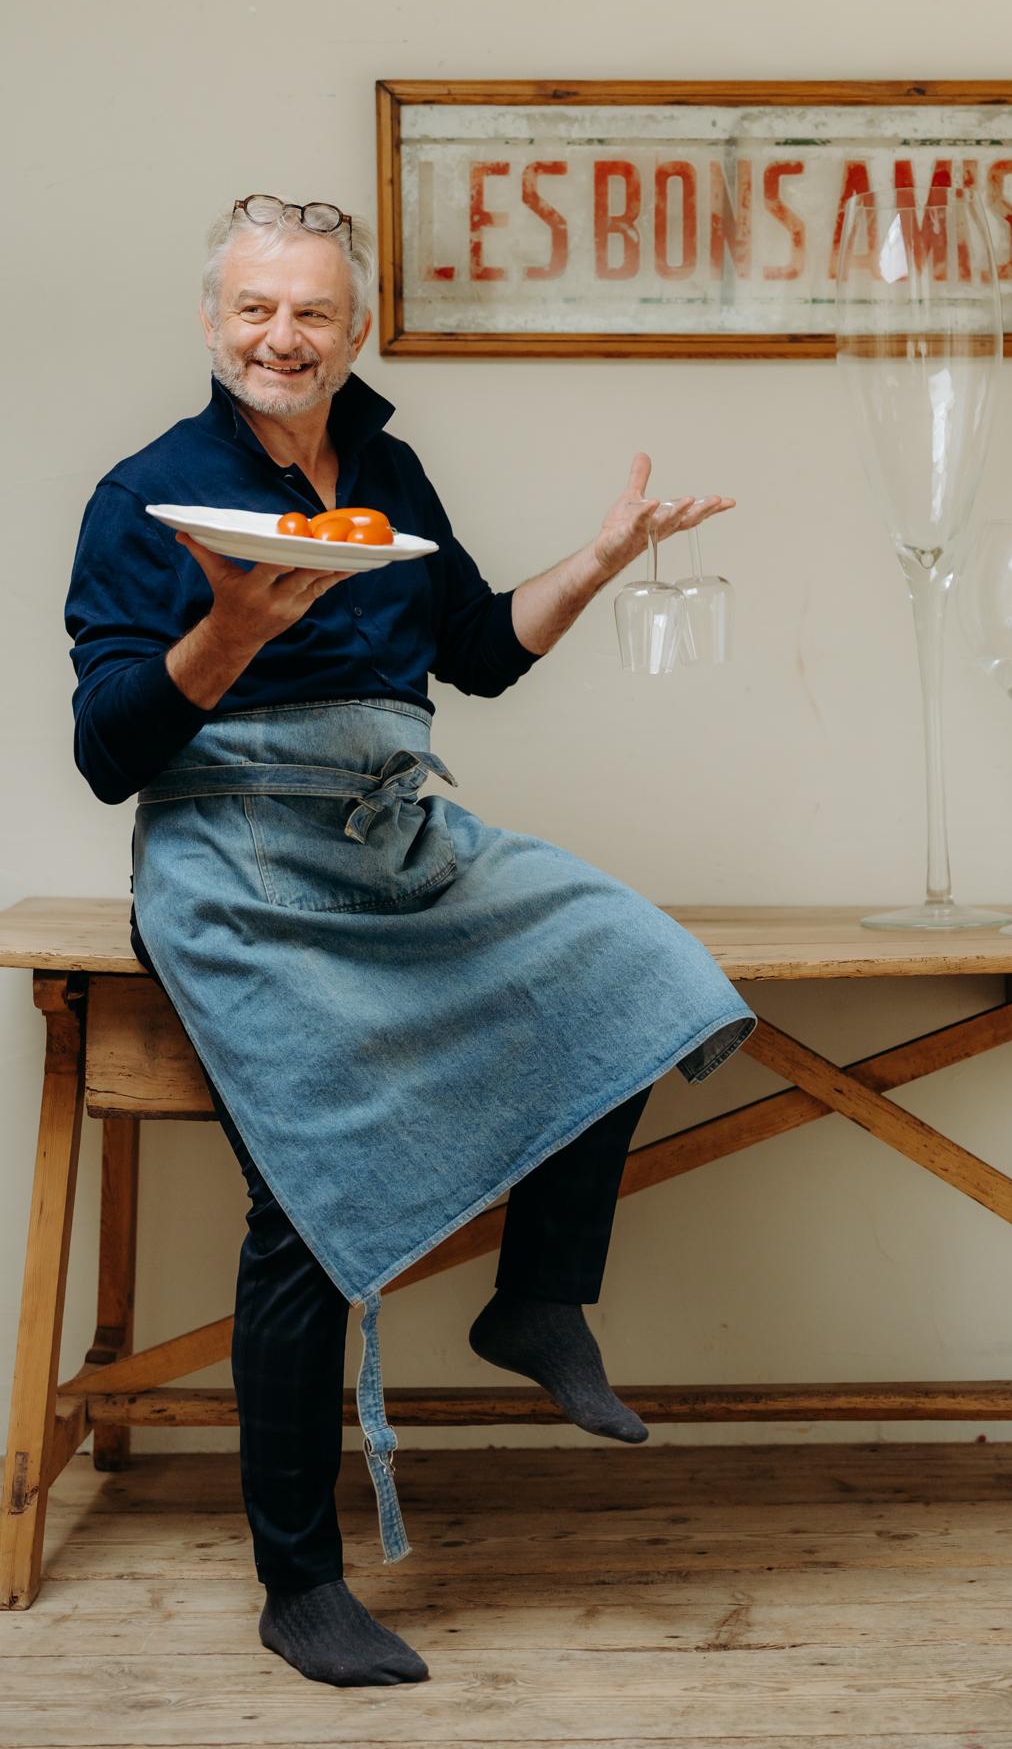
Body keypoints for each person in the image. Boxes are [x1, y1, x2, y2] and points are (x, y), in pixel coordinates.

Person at [63, 193, 755, 1688]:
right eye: (253, 308)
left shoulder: (386, 467)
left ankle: (537, 1295)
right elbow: (109, 752)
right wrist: (230, 632)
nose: (280, 337)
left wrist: (602, 556)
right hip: (235, 863)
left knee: (633, 966)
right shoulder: (148, 497)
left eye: (310, 311)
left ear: (351, 329)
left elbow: (482, 653)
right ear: (211, 322)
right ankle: (298, 1583)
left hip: (394, 829)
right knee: (304, 1212)